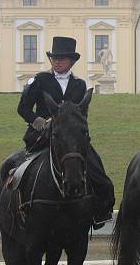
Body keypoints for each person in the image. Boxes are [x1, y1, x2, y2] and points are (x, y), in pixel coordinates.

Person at [17, 36, 115, 229]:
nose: (57, 61)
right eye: (54, 58)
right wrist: (39, 122)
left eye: (62, 58)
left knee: (98, 170)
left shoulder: (79, 85)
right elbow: (23, 108)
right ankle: (20, 205)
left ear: (71, 61)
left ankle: (101, 211)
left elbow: (81, 112)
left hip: (71, 138)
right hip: (43, 135)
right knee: (19, 168)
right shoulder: (39, 80)